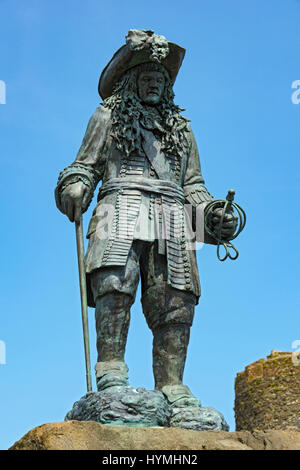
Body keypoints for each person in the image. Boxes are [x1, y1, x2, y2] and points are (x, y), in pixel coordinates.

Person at [55, 30, 237, 408]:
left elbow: (194, 185)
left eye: (160, 79)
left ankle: (172, 384)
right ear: (132, 80)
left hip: (172, 215)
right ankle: (111, 371)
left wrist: (214, 216)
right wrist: (74, 186)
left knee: (176, 300)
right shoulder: (108, 115)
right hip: (119, 206)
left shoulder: (182, 130)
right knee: (115, 284)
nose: (154, 83)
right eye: (147, 77)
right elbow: (84, 166)